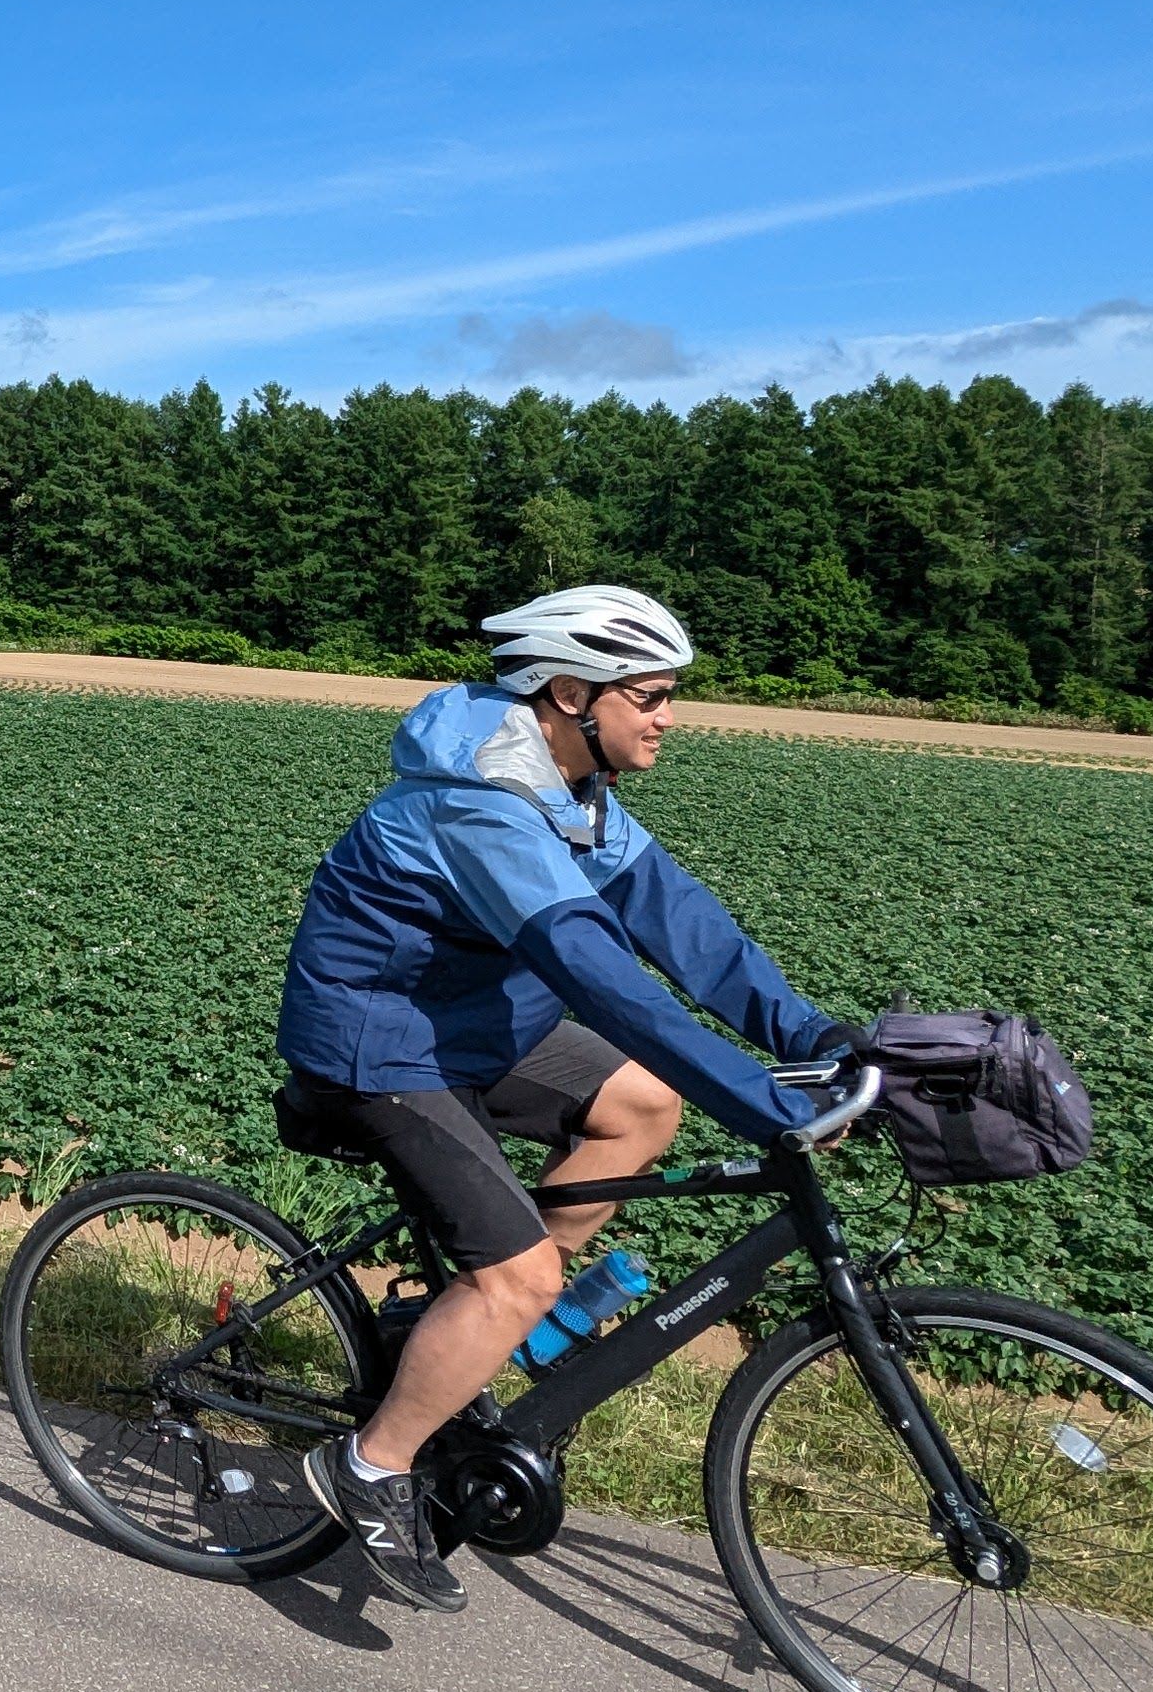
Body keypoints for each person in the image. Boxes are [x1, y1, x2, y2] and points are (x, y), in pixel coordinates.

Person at [275, 585, 869, 1611]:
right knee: (520, 1274)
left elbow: (682, 923)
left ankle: (489, 1327)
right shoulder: (485, 804)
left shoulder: (574, 788)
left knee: (640, 1106)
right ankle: (371, 1466)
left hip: (482, 1028)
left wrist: (809, 1037)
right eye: (650, 694)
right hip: (382, 1046)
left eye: (670, 695)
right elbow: (602, 978)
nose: (668, 717)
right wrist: (765, 1102)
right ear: (569, 692)